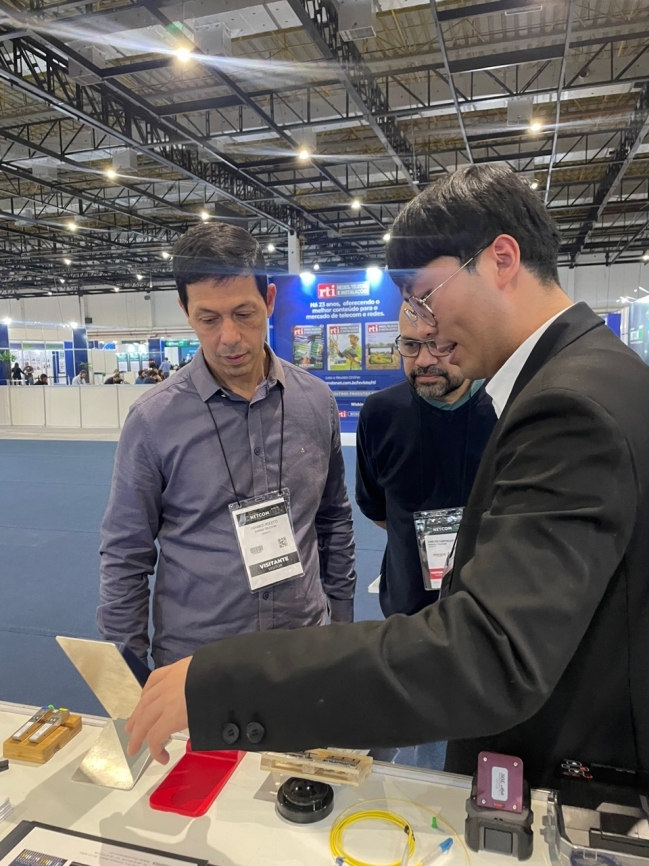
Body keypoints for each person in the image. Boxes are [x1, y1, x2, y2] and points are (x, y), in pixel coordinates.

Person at [125, 164, 649, 788]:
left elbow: (488, 653)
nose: (424, 327)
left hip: (580, 762)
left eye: (425, 296)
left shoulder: (568, 405)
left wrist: (227, 682)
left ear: (502, 260)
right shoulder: (598, 373)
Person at [99, 222, 356, 668]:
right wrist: (129, 675)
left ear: (269, 301)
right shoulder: (153, 420)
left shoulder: (316, 401)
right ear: (185, 310)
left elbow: (333, 519)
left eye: (244, 313)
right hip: (197, 662)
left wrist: (343, 627)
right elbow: (126, 555)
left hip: (303, 651)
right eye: (209, 319)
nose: (230, 337)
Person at [356, 302, 496, 618]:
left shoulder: (508, 407)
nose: (423, 360)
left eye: (440, 345)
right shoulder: (380, 413)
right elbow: (376, 507)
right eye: (411, 345)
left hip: (491, 609)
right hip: (408, 611)